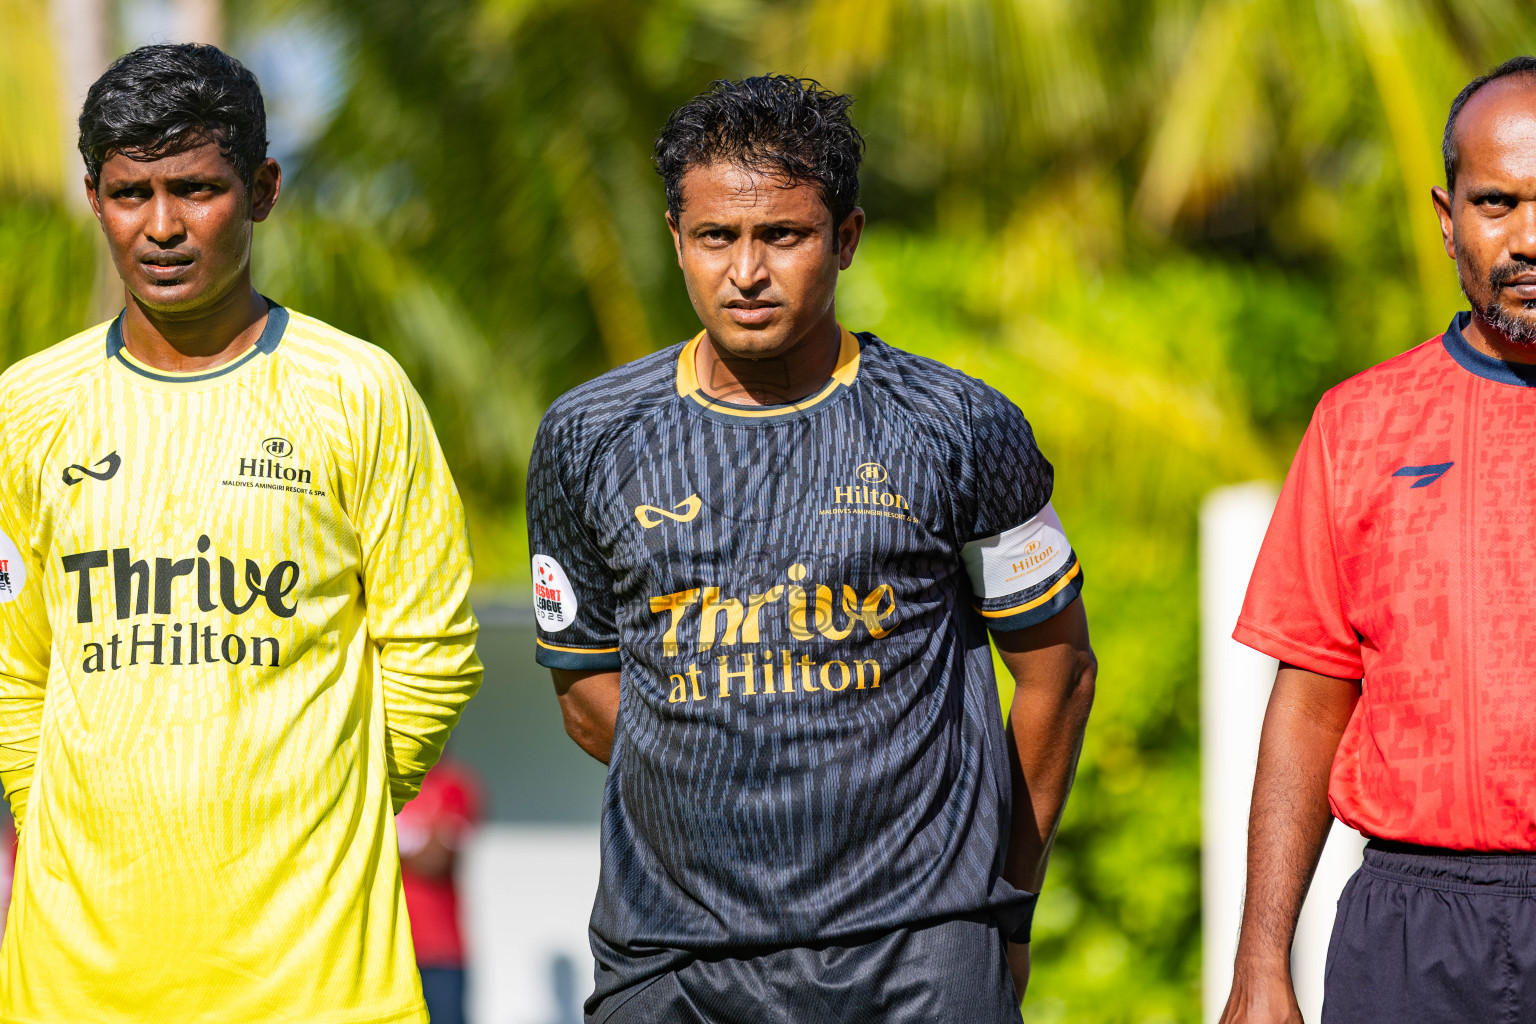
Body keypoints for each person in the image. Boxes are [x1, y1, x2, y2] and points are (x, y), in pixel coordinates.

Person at [525, 75, 1096, 1023]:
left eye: (783, 235)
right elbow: (586, 687)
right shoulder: (585, 437)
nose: (746, 271)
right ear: (676, 238)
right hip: (672, 961)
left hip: (918, 956)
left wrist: (1006, 905)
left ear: (847, 237)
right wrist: (730, 789)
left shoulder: (960, 426)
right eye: (716, 237)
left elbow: (1057, 675)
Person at [0, 44, 482, 1023]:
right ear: (94, 199)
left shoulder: (358, 392)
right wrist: (64, 830)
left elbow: (431, 651)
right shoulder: (27, 408)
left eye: (197, 189)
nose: (162, 226)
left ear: (261, 191)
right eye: (131, 194)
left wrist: (329, 813)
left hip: (317, 984)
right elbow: (16, 670)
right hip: (75, 986)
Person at [1221, 55, 1536, 1024]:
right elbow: (1314, 696)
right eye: (1497, 202)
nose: (1529, 238)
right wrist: (1261, 962)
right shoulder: (1360, 425)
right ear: (1447, 217)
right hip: (1411, 928)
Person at [398, 758, 483, 1024]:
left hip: (439, 951)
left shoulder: (453, 786)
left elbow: (438, 859)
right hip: (386, 949)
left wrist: (384, 846)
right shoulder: (376, 782)